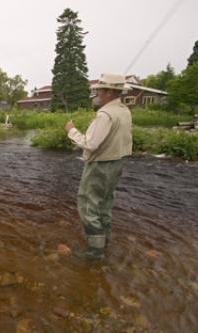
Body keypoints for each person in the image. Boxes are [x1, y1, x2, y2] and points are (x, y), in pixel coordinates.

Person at [64, 73, 133, 261]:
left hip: (100, 165)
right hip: (118, 163)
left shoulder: (105, 114)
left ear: (110, 91)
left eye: (100, 90)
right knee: (105, 202)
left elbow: (90, 143)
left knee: (88, 205)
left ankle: (95, 252)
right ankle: (105, 241)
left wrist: (71, 130)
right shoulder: (124, 111)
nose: (98, 93)